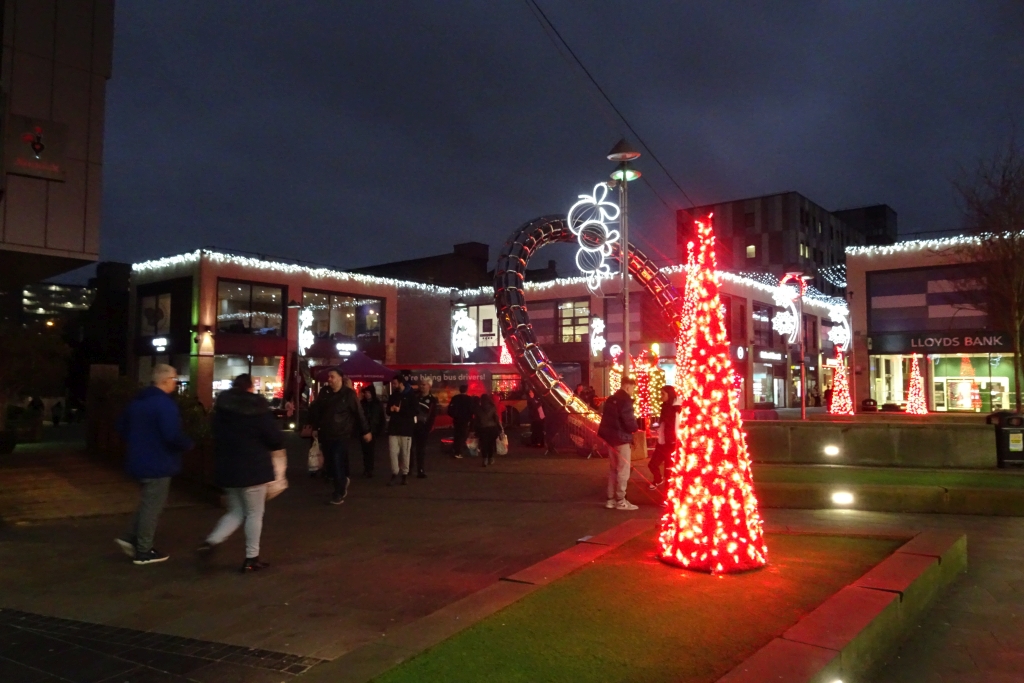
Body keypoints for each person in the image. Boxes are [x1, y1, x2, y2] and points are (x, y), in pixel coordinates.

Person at [200, 374, 283, 573]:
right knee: (255, 513)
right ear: (250, 387)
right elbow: (274, 438)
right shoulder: (258, 408)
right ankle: (251, 557)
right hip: (254, 468)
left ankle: (211, 541)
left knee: (236, 511)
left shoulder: (222, 409)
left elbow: (214, 434)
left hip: (228, 468)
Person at [115, 364, 194, 565]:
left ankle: (130, 537)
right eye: (175, 379)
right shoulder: (164, 405)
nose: (176, 383)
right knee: (153, 507)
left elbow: (121, 427)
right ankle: (144, 550)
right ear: (166, 380)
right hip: (159, 461)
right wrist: (187, 444)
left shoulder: (138, 402)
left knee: (147, 502)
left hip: (138, 459)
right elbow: (171, 435)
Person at [308, 369, 371, 505]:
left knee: (337, 461)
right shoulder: (325, 393)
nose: (329, 379)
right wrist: (315, 427)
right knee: (330, 463)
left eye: (332, 377)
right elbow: (317, 411)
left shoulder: (349, 395)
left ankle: (339, 492)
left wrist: (366, 431)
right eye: (328, 377)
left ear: (340, 378)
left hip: (341, 435)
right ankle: (341, 481)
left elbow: (359, 414)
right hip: (326, 434)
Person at [597, 376, 640, 511]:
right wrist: (635, 429)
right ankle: (621, 500)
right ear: (628, 386)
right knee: (623, 470)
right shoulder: (625, 400)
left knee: (613, 469)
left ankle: (610, 499)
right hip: (621, 439)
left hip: (611, 439)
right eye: (633, 388)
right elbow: (629, 421)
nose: (633, 391)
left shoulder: (611, 399)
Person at [648, 385, 681, 489]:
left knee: (669, 470)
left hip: (672, 443)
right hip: (663, 442)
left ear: (669, 394)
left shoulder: (676, 408)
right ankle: (658, 479)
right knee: (653, 464)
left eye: (663, 393)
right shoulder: (665, 407)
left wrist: (674, 441)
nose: (661, 396)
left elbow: (676, 425)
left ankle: (667, 497)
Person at [386, 377, 416, 485]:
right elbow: (387, 411)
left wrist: (401, 410)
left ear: (401, 383)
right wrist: (390, 409)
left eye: (395, 383)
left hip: (406, 429)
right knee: (393, 452)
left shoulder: (411, 395)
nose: (393, 385)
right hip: (393, 428)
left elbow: (415, 411)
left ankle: (404, 474)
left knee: (405, 452)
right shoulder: (393, 395)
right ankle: (394, 472)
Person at [412, 379, 438, 478]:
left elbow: (432, 415)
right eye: (420, 384)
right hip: (412, 426)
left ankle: (420, 469)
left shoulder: (432, 400)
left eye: (424, 385)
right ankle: (409, 468)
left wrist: (428, 428)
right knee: (409, 448)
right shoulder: (415, 397)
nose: (421, 386)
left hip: (423, 428)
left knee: (420, 449)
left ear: (429, 386)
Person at [360, 384, 386, 477]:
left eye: (368, 392)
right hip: (364, 430)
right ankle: (367, 468)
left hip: (373, 430)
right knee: (365, 451)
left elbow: (381, 417)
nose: (367, 394)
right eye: (365, 392)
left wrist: (379, 430)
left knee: (370, 450)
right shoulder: (362, 403)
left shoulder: (377, 404)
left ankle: (369, 469)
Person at [447, 385, 475, 458]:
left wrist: (454, 415)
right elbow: (471, 410)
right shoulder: (469, 399)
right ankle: (458, 451)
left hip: (456, 419)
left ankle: (455, 449)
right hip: (465, 420)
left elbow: (450, 409)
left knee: (457, 434)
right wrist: (470, 419)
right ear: (466, 390)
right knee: (463, 435)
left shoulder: (455, 398)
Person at [474, 393, 502, 467]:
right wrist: (500, 428)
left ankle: (485, 459)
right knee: (491, 444)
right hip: (492, 428)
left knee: (484, 444)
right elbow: (496, 419)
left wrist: (474, 430)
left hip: (482, 429)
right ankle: (490, 458)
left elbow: (476, 420)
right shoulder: (493, 407)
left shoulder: (478, 408)